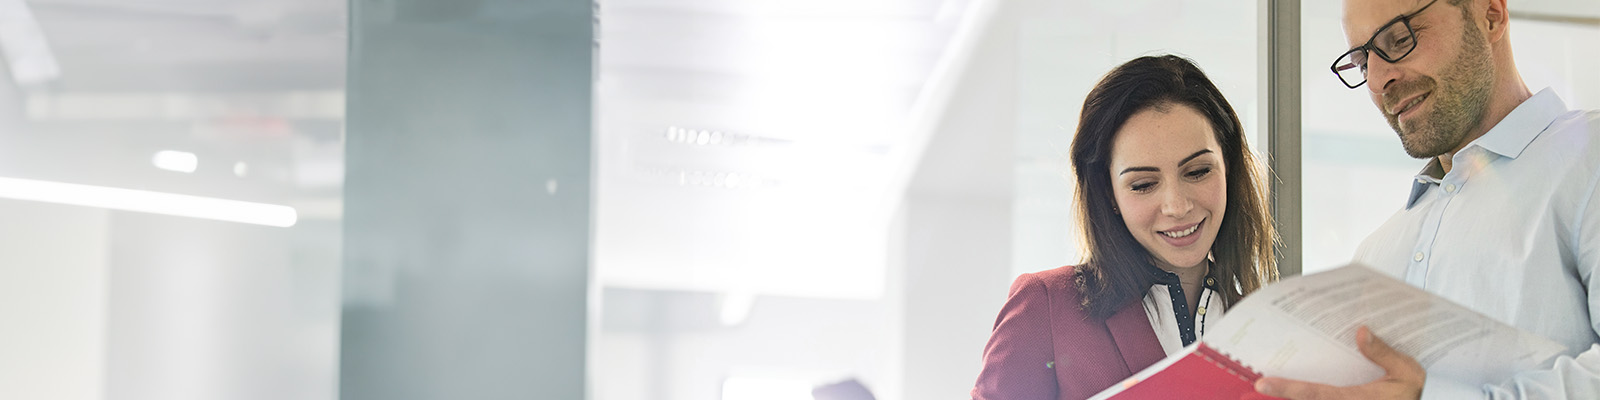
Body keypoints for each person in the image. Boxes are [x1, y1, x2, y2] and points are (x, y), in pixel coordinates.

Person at [1253, 0, 1600, 399]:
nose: (1377, 81)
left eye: (1399, 40)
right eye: (1363, 63)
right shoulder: (1374, 255)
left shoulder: (1590, 158)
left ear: (1490, 15)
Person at [970, 54, 1278, 399]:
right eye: (1144, 184)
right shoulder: (1048, 307)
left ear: (1229, 169)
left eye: (1198, 172)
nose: (1177, 206)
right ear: (1109, 193)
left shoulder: (1272, 327)